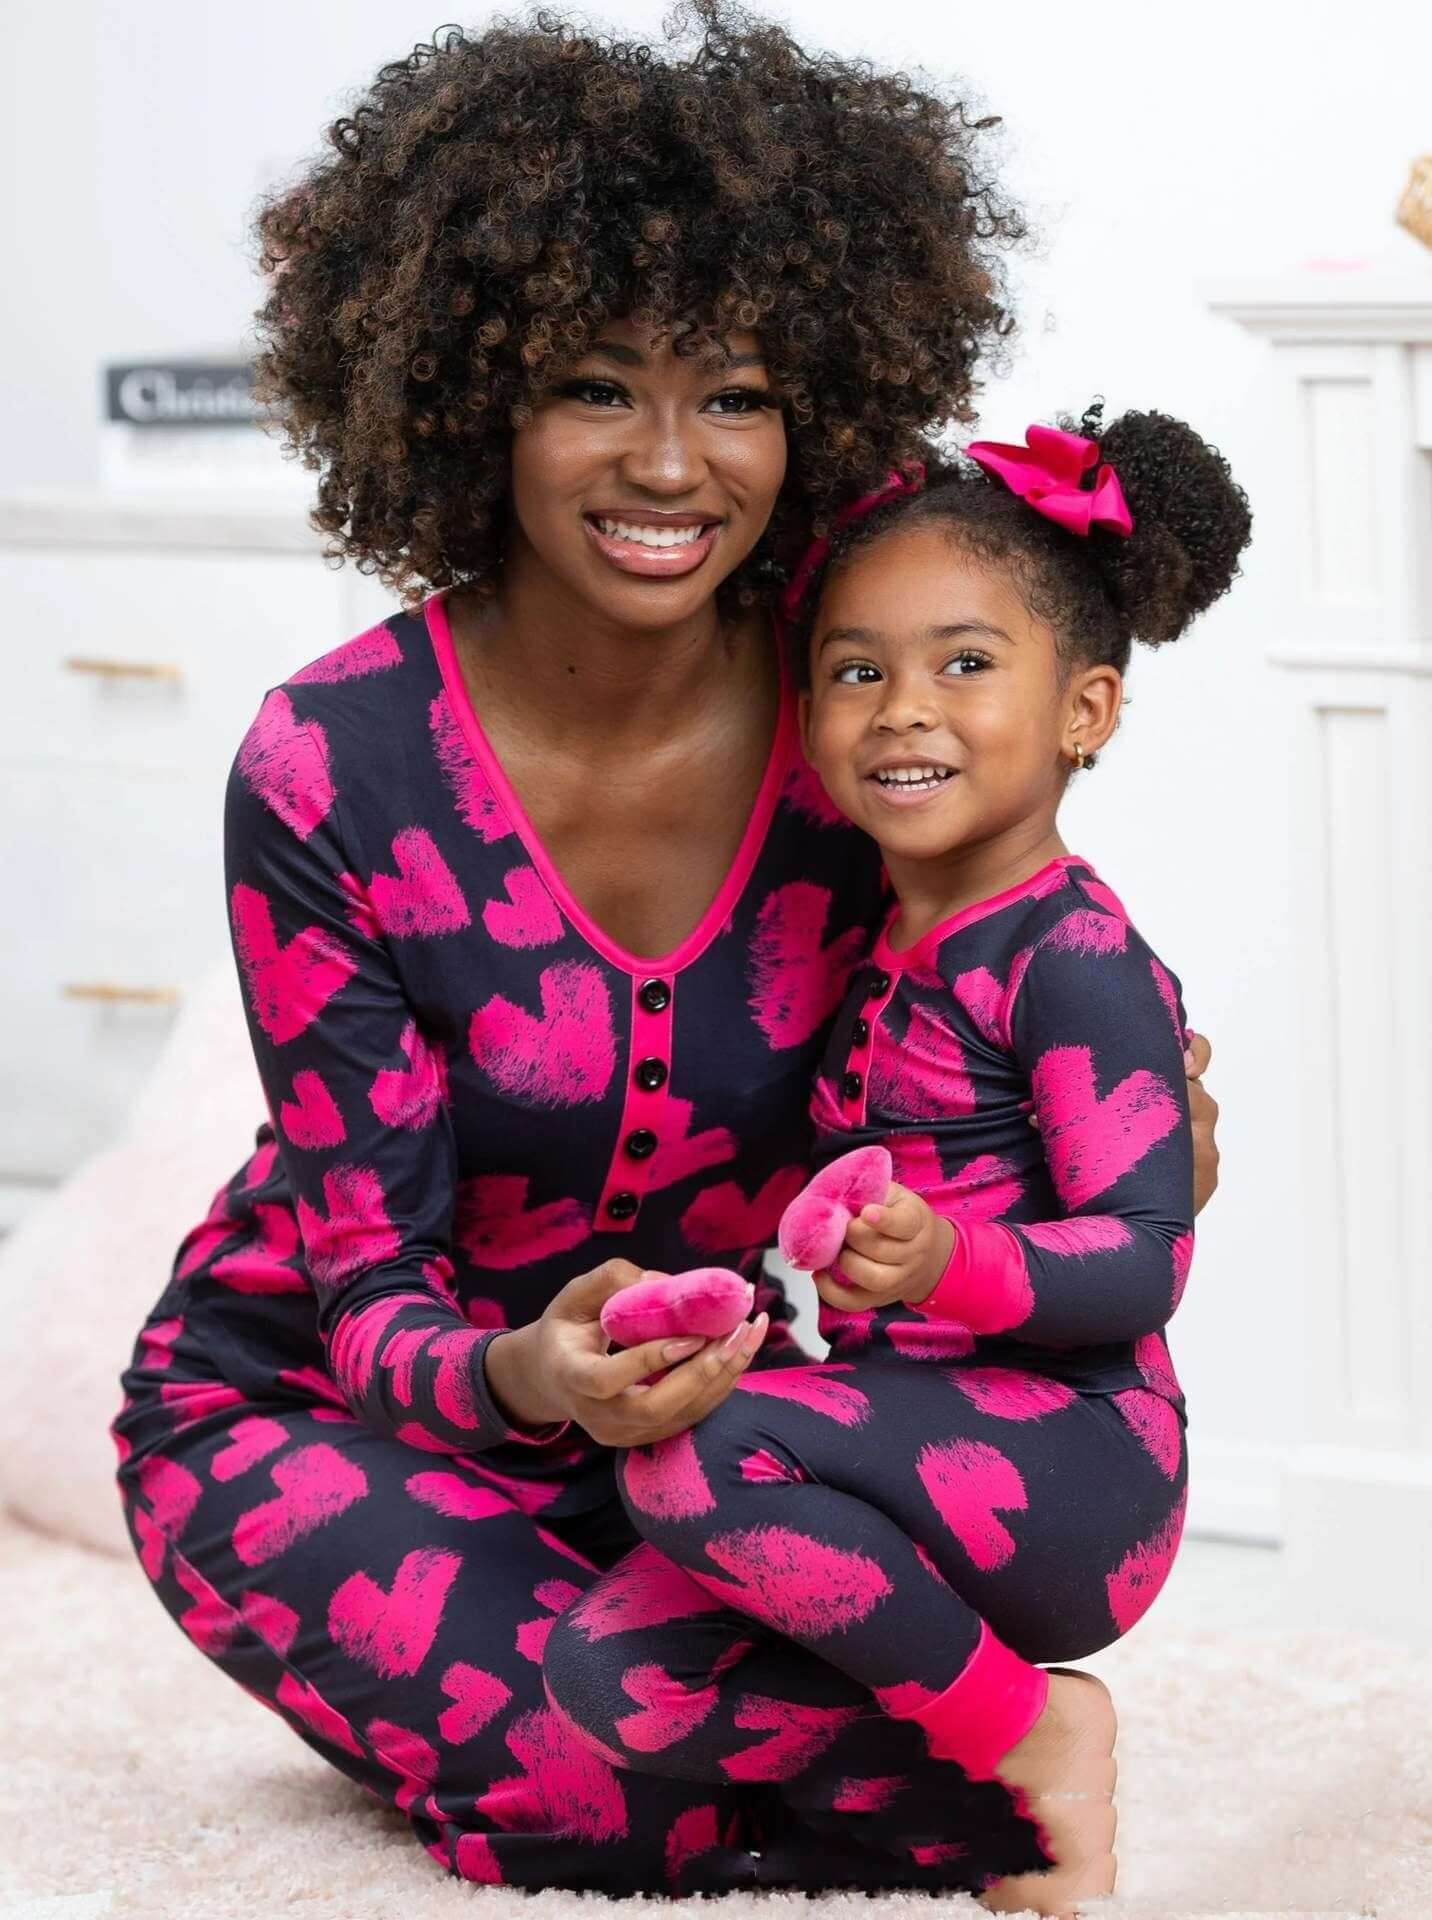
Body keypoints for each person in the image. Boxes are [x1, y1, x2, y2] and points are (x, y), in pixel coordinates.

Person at [109, 6, 1222, 1897]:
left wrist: (1147, 1138)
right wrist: (524, 1381)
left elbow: (1025, 998)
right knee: (584, 1763)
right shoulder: (331, 764)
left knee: (667, 1675)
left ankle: (896, 1722)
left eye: (740, 393)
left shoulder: (856, 712)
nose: (674, 463)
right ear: (472, 402)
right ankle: (956, 1750)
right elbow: (365, 1274)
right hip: (343, 1398)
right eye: (595, 388)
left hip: (728, 1424)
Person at [540, 406, 1251, 1913]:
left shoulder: (1072, 957)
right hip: (914, 1440)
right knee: (608, 1672)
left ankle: (1035, 1728)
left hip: (1082, 1457)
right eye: (858, 671)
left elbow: (1144, 1256)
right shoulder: (882, 949)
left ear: (1087, 711)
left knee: (698, 1459)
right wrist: (729, 1309)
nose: (902, 709)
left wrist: (950, 1262)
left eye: (965, 665)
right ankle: (986, 1798)